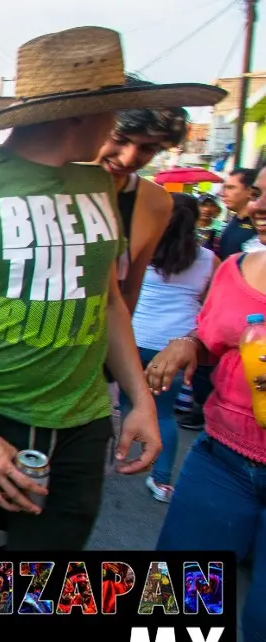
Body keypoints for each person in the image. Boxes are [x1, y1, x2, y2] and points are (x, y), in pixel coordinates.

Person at [0, 27, 217, 642]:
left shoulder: (94, 185)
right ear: (78, 111)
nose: (117, 132)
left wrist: (135, 399)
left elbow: (105, 300)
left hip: (75, 428)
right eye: (112, 112)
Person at [144, 172, 266, 642]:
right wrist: (187, 343)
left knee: (263, 624)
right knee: (180, 586)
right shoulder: (236, 268)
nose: (258, 205)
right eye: (258, 191)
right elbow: (212, 337)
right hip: (222, 455)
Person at [122, 193, 216, 502]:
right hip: (177, 347)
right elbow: (208, 304)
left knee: (127, 403)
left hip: (134, 339)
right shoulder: (208, 259)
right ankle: (161, 481)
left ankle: (118, 457)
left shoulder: (142, 250)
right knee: (164, 414)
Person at [93, 82, 187, 311]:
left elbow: (129, 289)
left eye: (148, 148)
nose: (127, 158)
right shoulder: (47, 182)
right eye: (120, 138)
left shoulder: (154, 201)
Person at [214, 168, 258, 259]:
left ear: (250, 191)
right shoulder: (235, 219)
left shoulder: (259, 224)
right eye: (224, 188)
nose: (223, 193)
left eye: (230, 187)